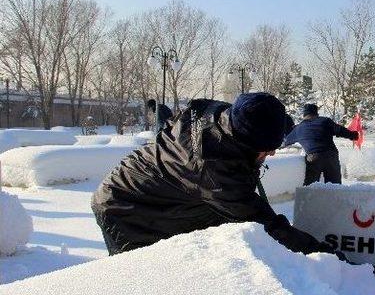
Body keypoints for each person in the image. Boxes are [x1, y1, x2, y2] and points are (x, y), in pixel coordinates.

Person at [93, 93, 337, 256]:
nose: (273, 153)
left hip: (158, 187)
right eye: (267, 148)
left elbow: (259, 117)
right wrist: (325, 255)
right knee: (147, 277)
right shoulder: (213, 171)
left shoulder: (222, 115)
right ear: (247, 143)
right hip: (124, 209)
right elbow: (268, 226)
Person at [283, 103, 358, 185]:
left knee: (310, 187)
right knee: (334, 186)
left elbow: (285, 142)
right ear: (316, 113)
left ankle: (309, 197)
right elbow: (340, 131)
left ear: (304, 115)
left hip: (313, 157)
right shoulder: (325, 121)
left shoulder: (298, 129)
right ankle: (334, 197)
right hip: (331, 155)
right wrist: (353, 135)